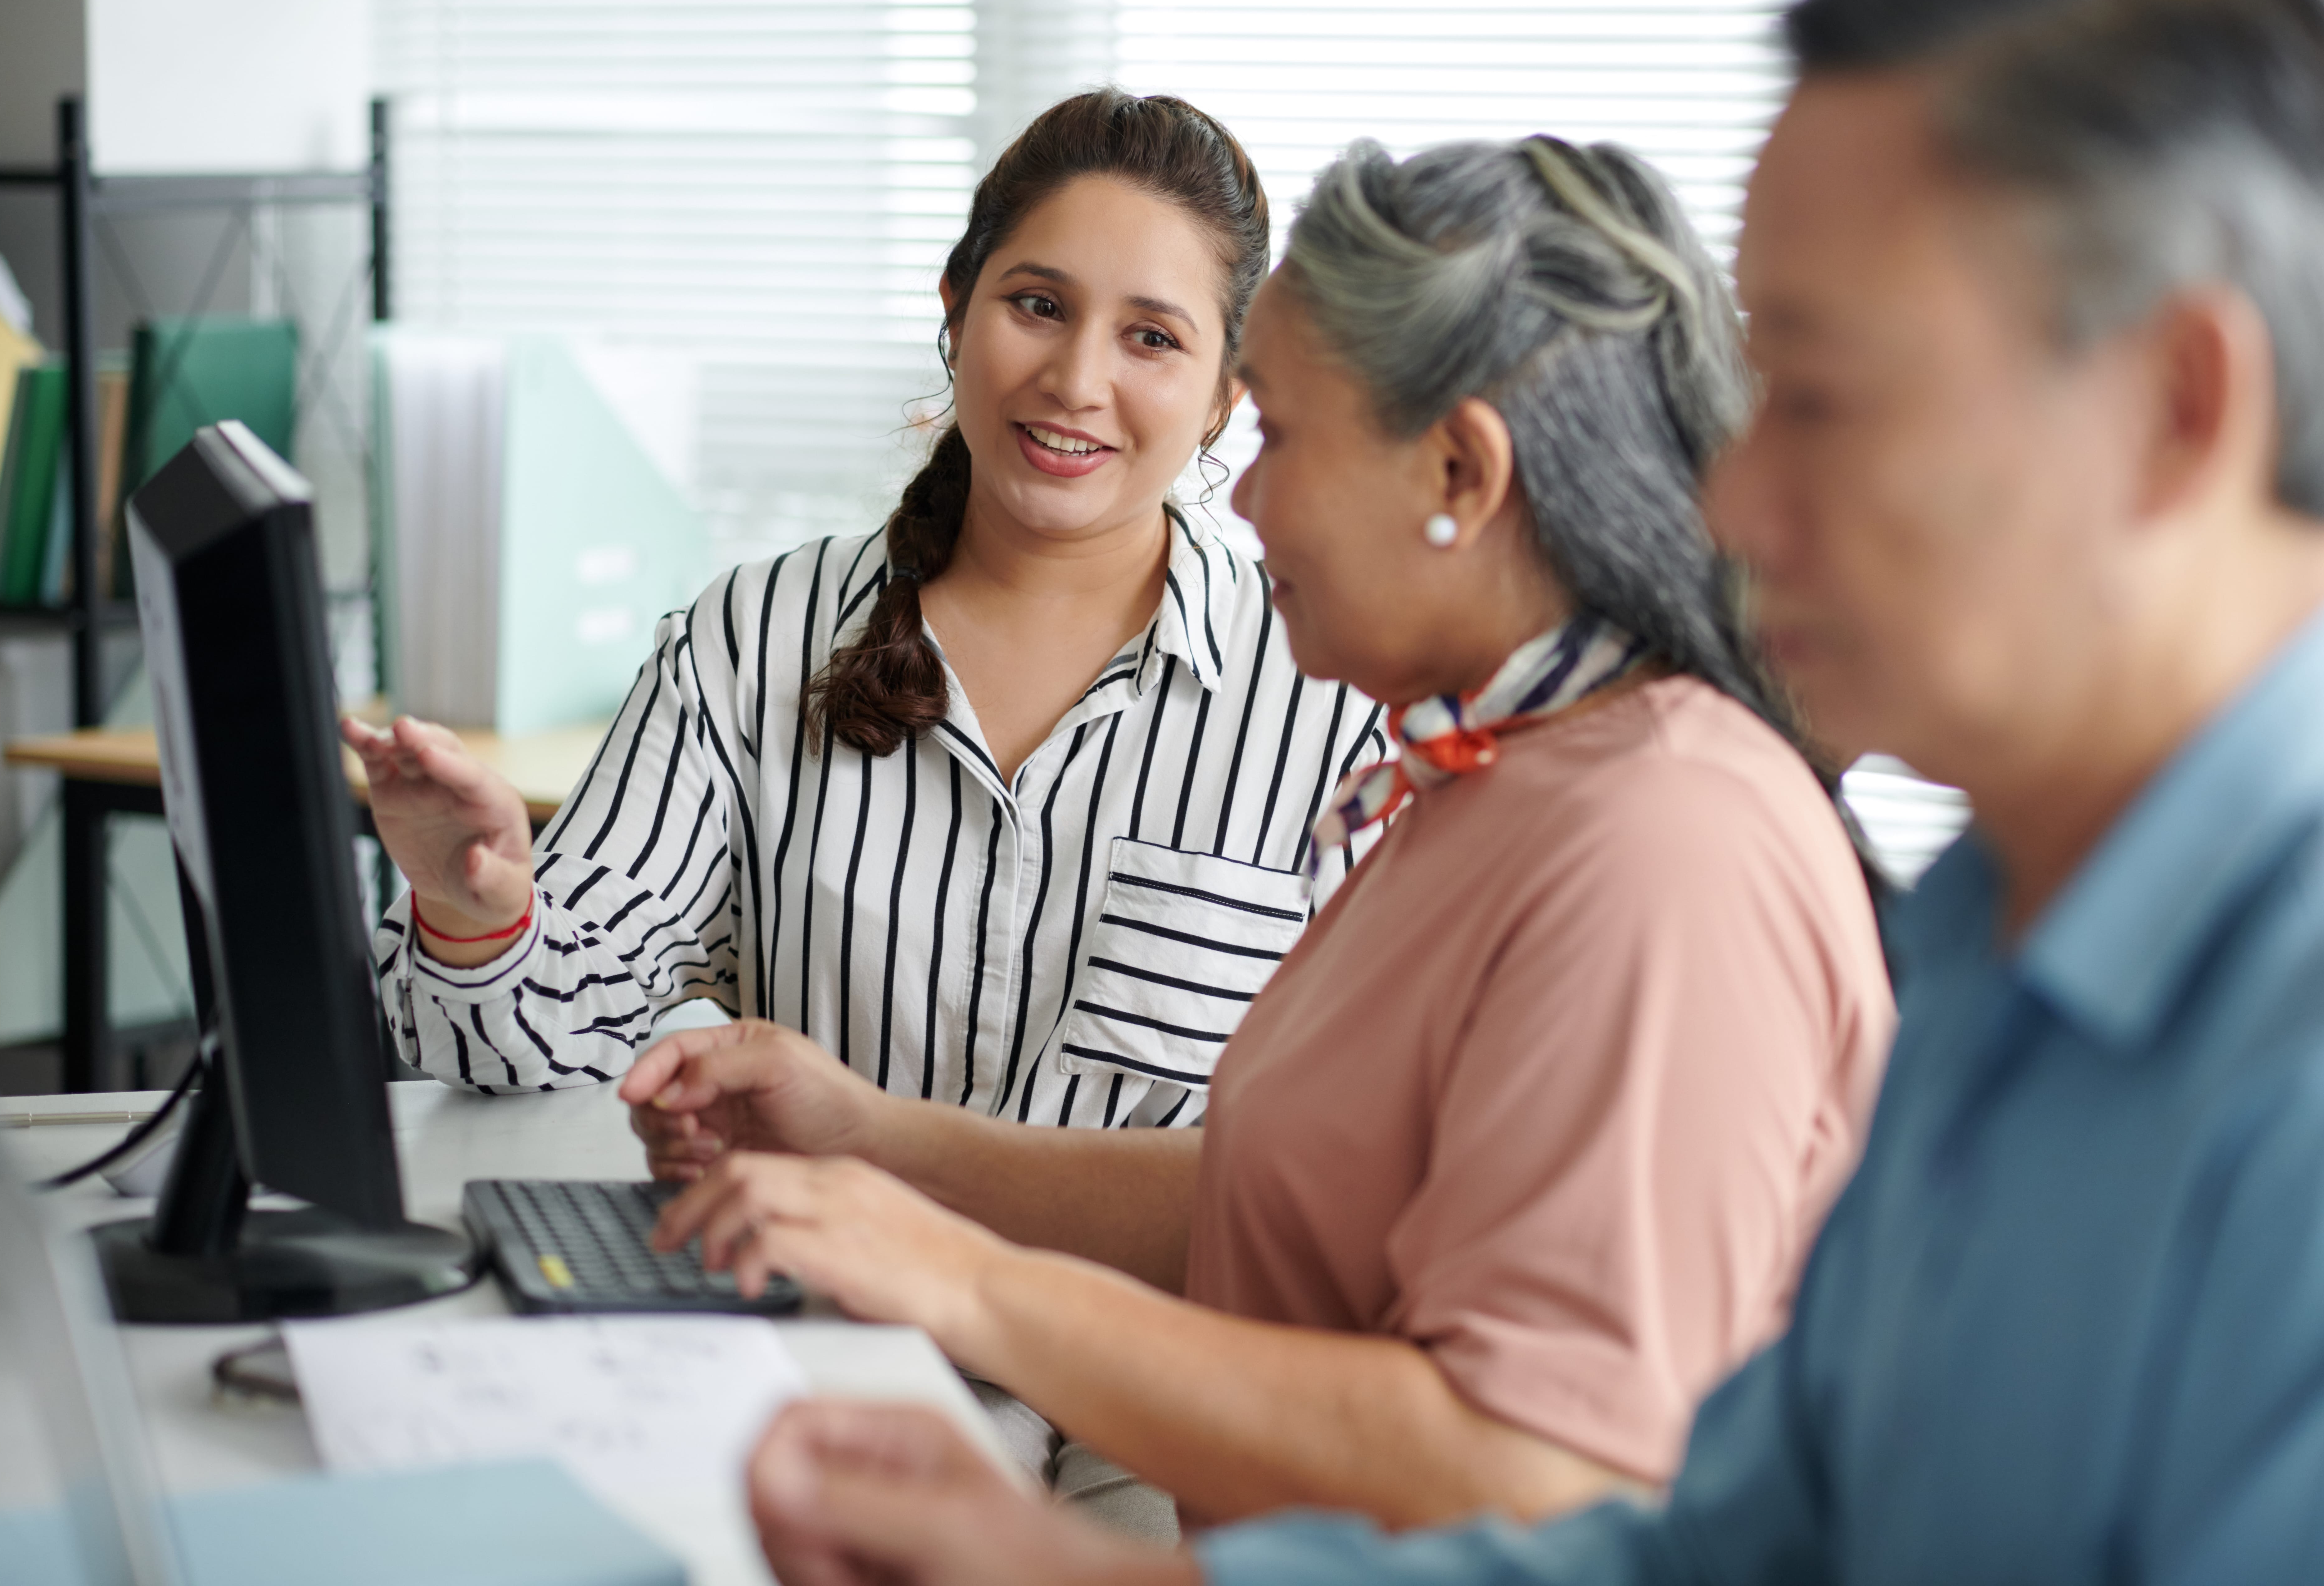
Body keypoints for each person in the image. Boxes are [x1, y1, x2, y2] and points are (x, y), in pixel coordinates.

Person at [723, 0, 2324, 1586]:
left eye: (1818, 393)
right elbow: (1703, 1548)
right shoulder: (1993, 948)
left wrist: (976, 1292)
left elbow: (1551, 1465)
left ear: (2174, 407)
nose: (1734, 490)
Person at [624, 135, 1895, 1539]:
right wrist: (876, 1139)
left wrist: (972, 1291)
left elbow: (1542, 1472)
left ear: (1460, 473)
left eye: (1279, 436)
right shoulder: (1490, 777)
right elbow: (1283, 1203)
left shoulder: (1666, 842)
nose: (1241, 498)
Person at [345, 88, 1387, 1132]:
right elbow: (535, 1039)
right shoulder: (753, 644)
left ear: (1224, 397)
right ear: (955, 309)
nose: (1076, 379)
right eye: (1038, 306)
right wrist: (479, 914)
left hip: (1137, 1299)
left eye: (1151, 338)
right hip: (811, 1291)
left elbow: (1356, 1154)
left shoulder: (1336, 702)